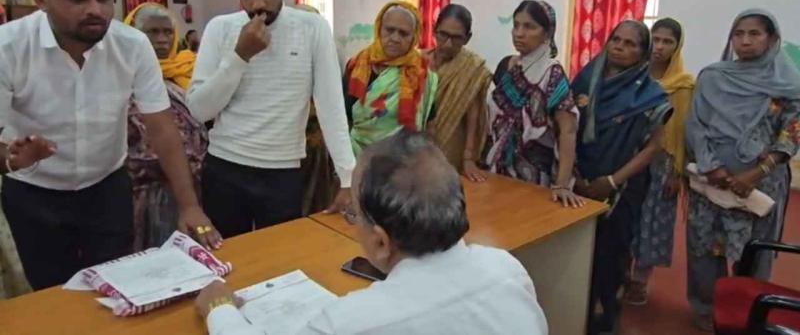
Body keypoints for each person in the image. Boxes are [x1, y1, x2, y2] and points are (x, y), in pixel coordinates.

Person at [0, 0, 219, 291]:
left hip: (107, 189)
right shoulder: (8, 47)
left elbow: (162, 129)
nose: (96, 10)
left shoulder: (131, 45)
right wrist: (11, 159)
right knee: (52, 293)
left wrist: (189, 205)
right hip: (35, 195)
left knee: (116, 284)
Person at [195, 130, 549, 334]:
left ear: (381, 242)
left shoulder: (353, 323)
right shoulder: (507, 269)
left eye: (354, 216)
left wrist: (220, 308)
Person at [187, 0, 356, 238]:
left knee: (280, 258)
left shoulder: (312, 28)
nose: (258, 4)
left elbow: (331, 107)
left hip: (282, 172)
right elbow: (200, 110)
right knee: (228, 256)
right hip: (225, 167)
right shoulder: (220, 28)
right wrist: (240, 56)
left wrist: (347, 177)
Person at [685, 9, 800, 332]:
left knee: (755, 250)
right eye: (739, 34)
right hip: (713, 181)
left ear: (772, 39)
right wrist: (712, 166)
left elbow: (793, 130)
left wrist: (758, 172)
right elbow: (696, 125)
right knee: (705, 246)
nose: (745, 41)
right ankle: (706, 307)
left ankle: (749, 311)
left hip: (762, 184)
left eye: (754, 34)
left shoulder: (787, 84)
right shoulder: (713, 77)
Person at [571, 20, 672, 335]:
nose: (620, 47)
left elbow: (654, 147)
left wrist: (612, 181)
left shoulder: (650, 94)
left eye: (630, 44)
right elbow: (567, 128)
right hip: (578, 182)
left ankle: (607, 316)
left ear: (643, 53)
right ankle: (574, 314)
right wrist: (575, 174)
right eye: (616, 39)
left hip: (622, 187)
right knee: (576, 253)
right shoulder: (586, 79)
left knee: (611, 255)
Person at [124, 3, 209, 251]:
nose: (162, 39)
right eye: (152, 32)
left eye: (167, 32)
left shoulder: (186, 72)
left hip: (189, 190)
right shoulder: (125, 79)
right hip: (146, 197)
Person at [485, 0, 584, 208]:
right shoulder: (509, 66)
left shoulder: (552, 73)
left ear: (547, 33)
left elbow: (568, 131)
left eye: (529, 27)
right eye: (516, 25)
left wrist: (562, 185)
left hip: (535, 178)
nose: (519, 33)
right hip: (500, 170)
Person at [625, 18, 694, 305]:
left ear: (677, 47)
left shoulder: (684, 86)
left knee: (653, 220)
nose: (660, 46)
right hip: (629, 157)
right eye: (656, 39)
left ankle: (640, 280)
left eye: (668, 42)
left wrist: (678, 172)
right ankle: (620, 273)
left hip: (664, 163)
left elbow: (684, 130)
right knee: (626, 216)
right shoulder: (634, 75)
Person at [343, 1, 438, 155]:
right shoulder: (358, 65)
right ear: (379, 29)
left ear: (414, 37)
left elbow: (430, 124)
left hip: (404, 160)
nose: (395, 38)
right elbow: (343, 116)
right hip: (357, 155)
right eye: (389, 30)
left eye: (403, 33)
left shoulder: (421, 73)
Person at [423, 4, 492, 182]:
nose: (448, 44)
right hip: (416, 145)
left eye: (456, 38)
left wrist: (468, 159)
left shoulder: (472, 68)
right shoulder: (417, 62)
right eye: (443, 35)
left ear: (467, 38)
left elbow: (473, 116)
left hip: (450, 145)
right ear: (434, 30)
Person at [290, 3, 338, 214]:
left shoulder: (328, 57)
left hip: (316, 142)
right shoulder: (278, 60)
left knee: (316, 197)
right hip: (285, 144)